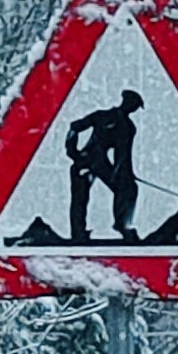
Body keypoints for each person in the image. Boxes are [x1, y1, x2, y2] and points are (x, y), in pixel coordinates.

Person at [64, 91, 143, 243]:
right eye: (133, 105)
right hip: (86, 160)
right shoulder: (102, 116)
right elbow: (74, 127)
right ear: (125, 102)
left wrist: (126, 175)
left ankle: (122, 225)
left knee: (128, 188)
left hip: (101, 163)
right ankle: (78, 232)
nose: (133, 109)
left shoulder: (128, 127)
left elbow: (123, 155)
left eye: (135, 107)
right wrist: (73, 153)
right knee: (80, 196)